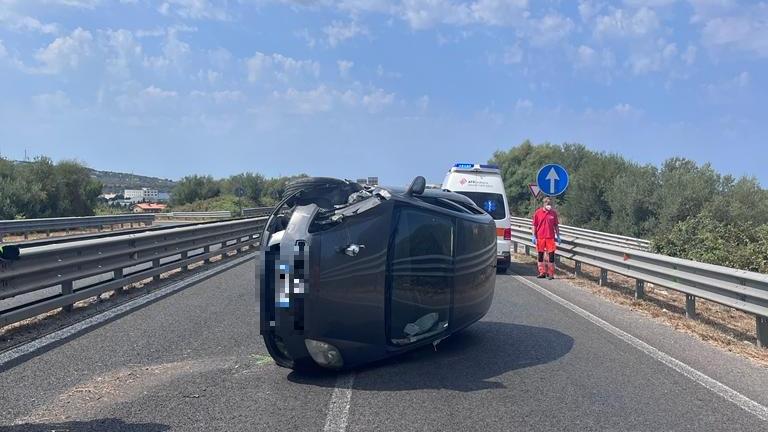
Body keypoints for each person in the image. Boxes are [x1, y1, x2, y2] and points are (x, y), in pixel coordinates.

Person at [531, 196, 561, 279]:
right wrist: (533, 235)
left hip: (550, 238)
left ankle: (550, 273)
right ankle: (542, 272)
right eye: (547, 204)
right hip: (540, 237)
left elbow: (556, 225)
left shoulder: (553, 213)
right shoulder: (538, 213)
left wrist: (558, 235)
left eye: (550, 204)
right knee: (540, 255)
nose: (549, 205)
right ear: (544, 204)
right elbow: (534, 225)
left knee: (551, 256)